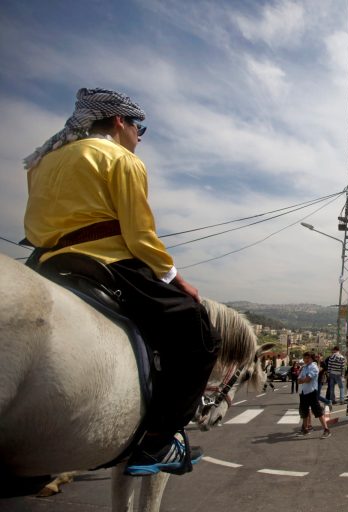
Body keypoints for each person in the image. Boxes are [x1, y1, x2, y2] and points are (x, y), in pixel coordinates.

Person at [23, 88, 221, 476]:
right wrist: (174, 278)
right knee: (200, 337)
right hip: (107, 261)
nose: (140, 135)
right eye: (138, 125)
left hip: (48, 261)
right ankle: (158, 444)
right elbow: (140, 236)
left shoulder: (42, 163)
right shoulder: (120, 159)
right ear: (119, 122)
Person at [296, 352, 331, 439]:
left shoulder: (314, 367)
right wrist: (304, 379)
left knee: (318, 411)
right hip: (303, 392)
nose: (306, 360)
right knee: (304, 411)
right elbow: (299, 380)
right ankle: (305, 429)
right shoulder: (304, 368)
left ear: (312, 359)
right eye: (304, 358)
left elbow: (308, 379)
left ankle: (326, 430)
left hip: (311, 392)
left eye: (308, 358)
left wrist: (303, 379)